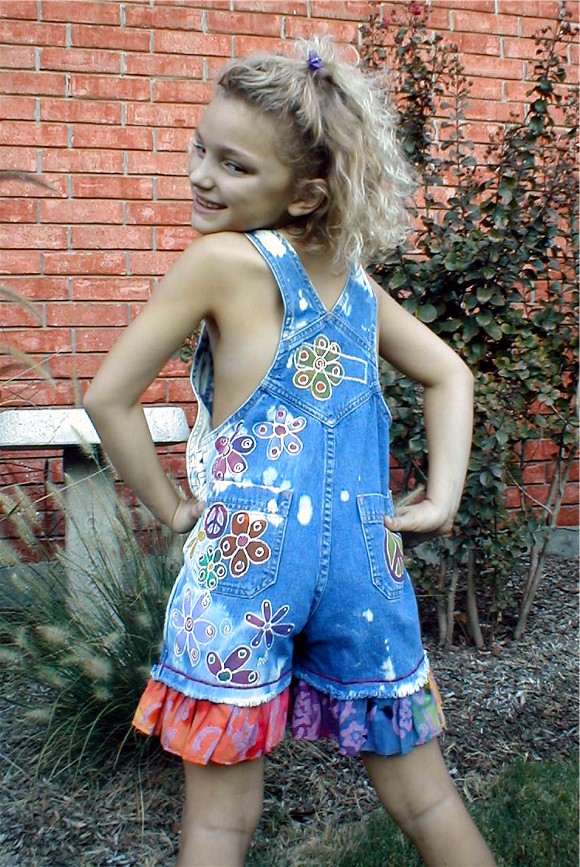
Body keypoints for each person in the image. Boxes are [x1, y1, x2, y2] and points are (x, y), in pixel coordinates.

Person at [84, 38, 496, 867]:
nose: (203, 176)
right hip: (364, 567)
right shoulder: (353, 282)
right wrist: (441, 497)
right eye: (202, 149)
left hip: (245, 573)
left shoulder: (217, 262)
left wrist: (172, 508)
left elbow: (107, 397)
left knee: (218, 827)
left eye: (235, 166)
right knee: (426, 795)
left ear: (305, 193)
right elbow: (451, 373)